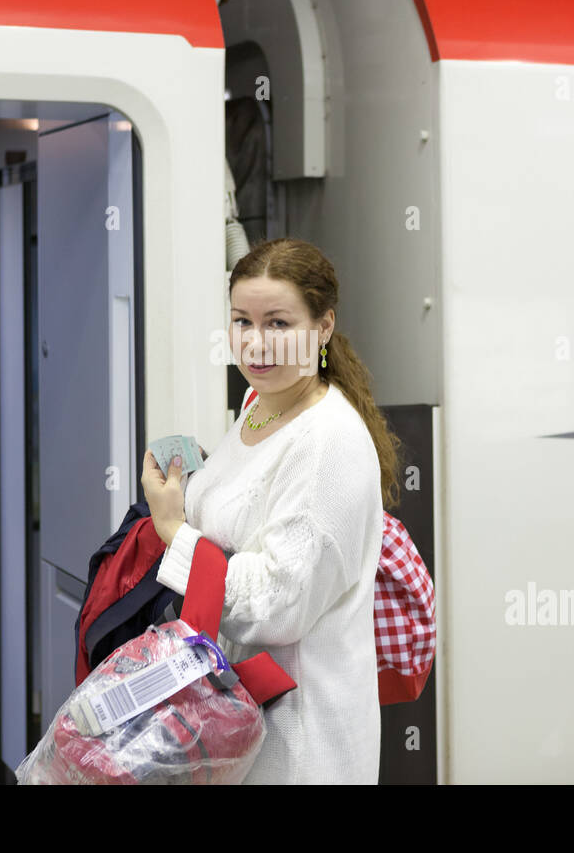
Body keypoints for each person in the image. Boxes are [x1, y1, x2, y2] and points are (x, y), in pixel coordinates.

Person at [141, 237, 403, 784]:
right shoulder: (259, 406)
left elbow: (276, 605)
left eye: (279, 324)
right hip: (238, 726)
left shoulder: (328, 442)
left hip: (299, 747)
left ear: (323, 327)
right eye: (241, 321)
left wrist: (171, 528)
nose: (256, 344)